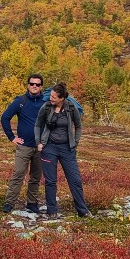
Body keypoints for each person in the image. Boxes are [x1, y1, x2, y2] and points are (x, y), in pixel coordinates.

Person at [34, 82, 92, 218]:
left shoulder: (71, 108)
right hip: (49, 148)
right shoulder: (46, 107)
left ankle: (82, 211)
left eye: (54, 97)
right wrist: (39, 142)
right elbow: (38, 124)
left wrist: (75, 142)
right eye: (51, 96)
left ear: (62, 98)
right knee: (50, 181)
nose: (51, 98)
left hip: (67, 149)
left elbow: (78, 126)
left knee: (75, 179)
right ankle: (52, 211)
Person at [0, 74, 47, 213]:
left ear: (41, 87)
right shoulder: (20, 101)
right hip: (24, 146)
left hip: (40, 147)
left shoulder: (46, 102)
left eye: (37, 84)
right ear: (28, 85)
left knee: (36, 177)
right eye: (32, 84)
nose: (34, 86)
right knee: (19, 174)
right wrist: (11, 137)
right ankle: (9, 203)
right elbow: (5, 117)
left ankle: (32, 203)